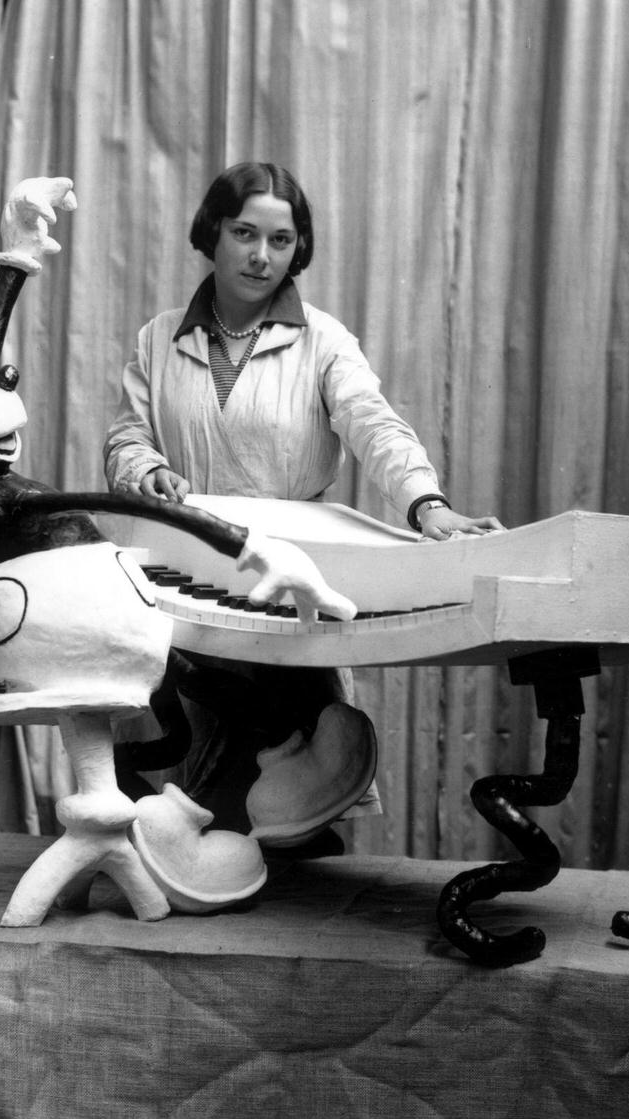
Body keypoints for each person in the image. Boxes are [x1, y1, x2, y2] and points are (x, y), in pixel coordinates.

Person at [103, 161, 503, 849]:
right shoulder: (159, 337)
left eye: (281, 240)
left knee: (289, 802)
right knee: (183, 783)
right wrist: (147, 468)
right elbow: (127, 433)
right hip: (185, 580)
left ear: (298, 247)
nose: (262, 256)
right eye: (245, 233)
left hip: (286, 586)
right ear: (213, 233)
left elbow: (374, 425)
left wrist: (426, 505)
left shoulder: (323, 340)